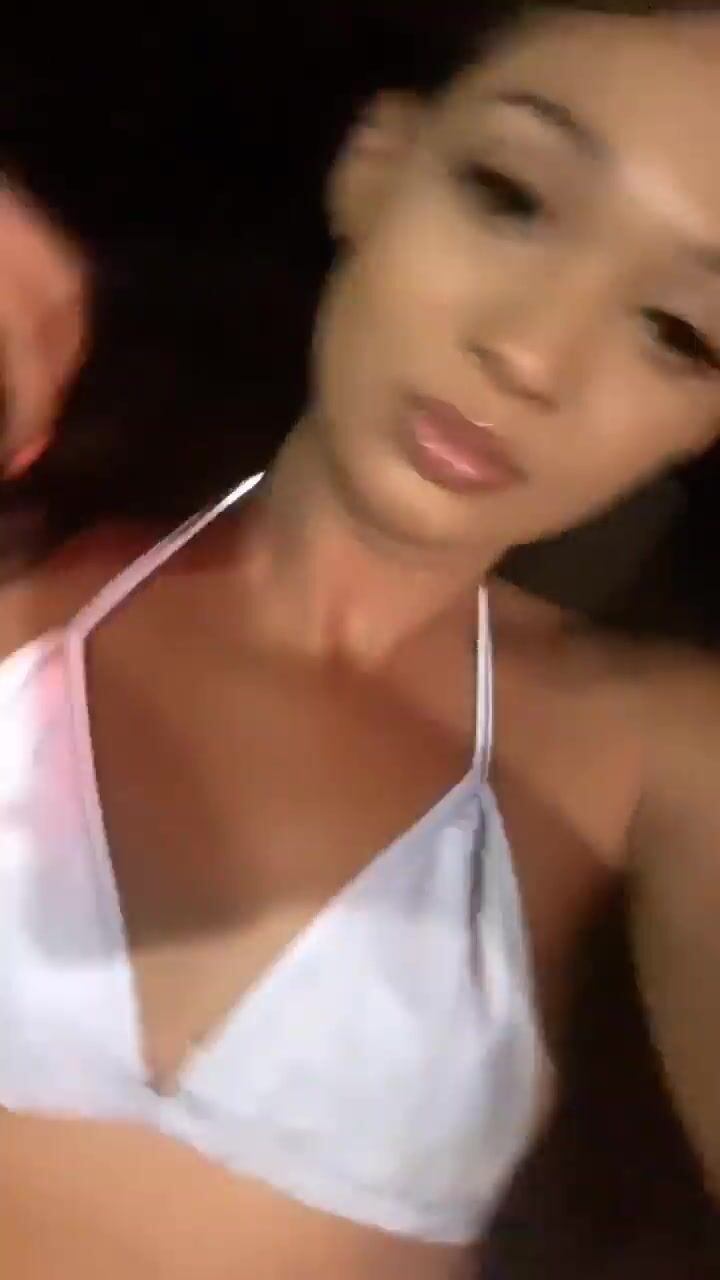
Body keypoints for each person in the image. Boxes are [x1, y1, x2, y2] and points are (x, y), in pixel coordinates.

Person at [2, 2, 720, 1276]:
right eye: (510, 195)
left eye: (679, 331)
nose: (531, 354)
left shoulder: (656, 748)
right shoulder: (29, 564)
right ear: (376, 166)